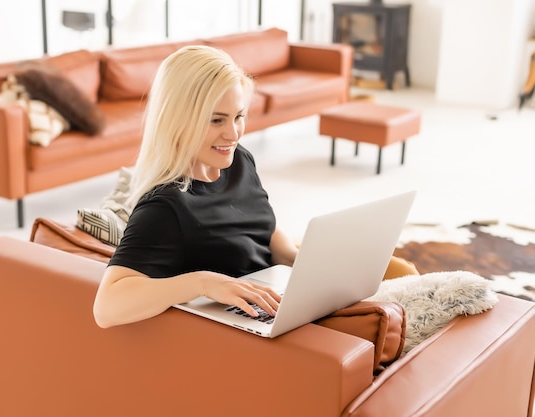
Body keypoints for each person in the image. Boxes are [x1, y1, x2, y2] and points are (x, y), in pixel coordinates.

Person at [93, 45, 417, 329]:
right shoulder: (165, 208)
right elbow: (106, 307)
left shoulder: (238, 161)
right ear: (178, 120)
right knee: (386, 315)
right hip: (251, 321)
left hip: (278, 290)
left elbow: (261, 224)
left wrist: (292, 256)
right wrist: (202, 283)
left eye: (239, 116)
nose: (233, 134)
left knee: (400, 269)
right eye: (216, 120)